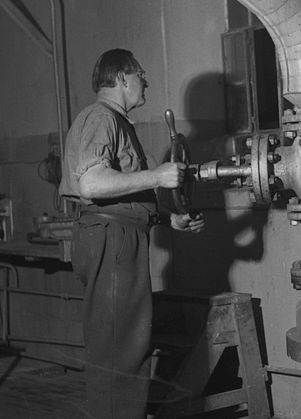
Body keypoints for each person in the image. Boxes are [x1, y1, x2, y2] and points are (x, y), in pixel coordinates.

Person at [59, 48, 205, 419]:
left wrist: (167, 218)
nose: (147, 82)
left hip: (120, 236)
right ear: (122, 78)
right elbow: (92, 183)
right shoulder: (100, 117)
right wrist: (157, 175)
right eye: (141, 75)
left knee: (128, 345)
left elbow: (125, 194)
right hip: (111, 240)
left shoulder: (118, 123)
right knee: (119, 349)